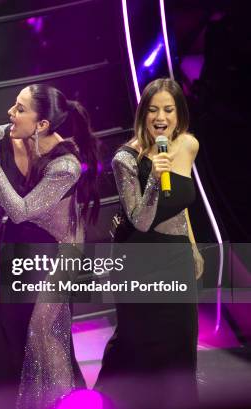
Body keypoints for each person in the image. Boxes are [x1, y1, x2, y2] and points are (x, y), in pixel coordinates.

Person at [0, 84, 100, 409]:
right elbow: (3, 196)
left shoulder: (65, 166)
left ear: (42, 124)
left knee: (45, 337)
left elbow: (21, 209)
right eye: (14, 106)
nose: (10, 114)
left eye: (20, 109)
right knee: (7, 334)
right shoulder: (3, 136)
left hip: (52, 256)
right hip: (17, 245)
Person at [95, 78, 203, 409]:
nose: (161, 117)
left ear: (178, 113)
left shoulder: (186, 145)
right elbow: (140, 219)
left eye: (168, 110)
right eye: (154, 110)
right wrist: (155, 176)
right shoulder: (125, 159)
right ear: (143, 113)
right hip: (139, 262)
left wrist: (193, 247)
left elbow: (181, 206)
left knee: (180, 347)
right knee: (136, 347)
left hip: (176, 257)